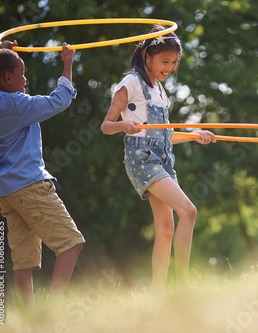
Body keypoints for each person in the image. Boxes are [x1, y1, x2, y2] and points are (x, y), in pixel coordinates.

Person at [101, 25, 216, 292]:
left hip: (162, 159)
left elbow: (165, 136)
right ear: (146, 57)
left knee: (166, 227)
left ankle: (158, 293)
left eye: (174, 63)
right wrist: (123, 126)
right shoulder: (131, 82)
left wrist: (194, 135)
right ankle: (183, 286)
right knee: (188, 211)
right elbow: (106, 125)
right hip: (142, 158)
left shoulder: (160, 90)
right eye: (164, 61)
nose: (169, 67)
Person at [0, 40, 85, 307]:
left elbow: (8, 87)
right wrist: (67, 63)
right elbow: (60, 100)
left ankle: (30, 316)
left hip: (7, 193)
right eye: (22, 73)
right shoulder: (18, 105)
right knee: (71, 243)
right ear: (8, 77)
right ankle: (53, 308)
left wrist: (11, 57)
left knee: (24, 260)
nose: (25, 78)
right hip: (31, 186)